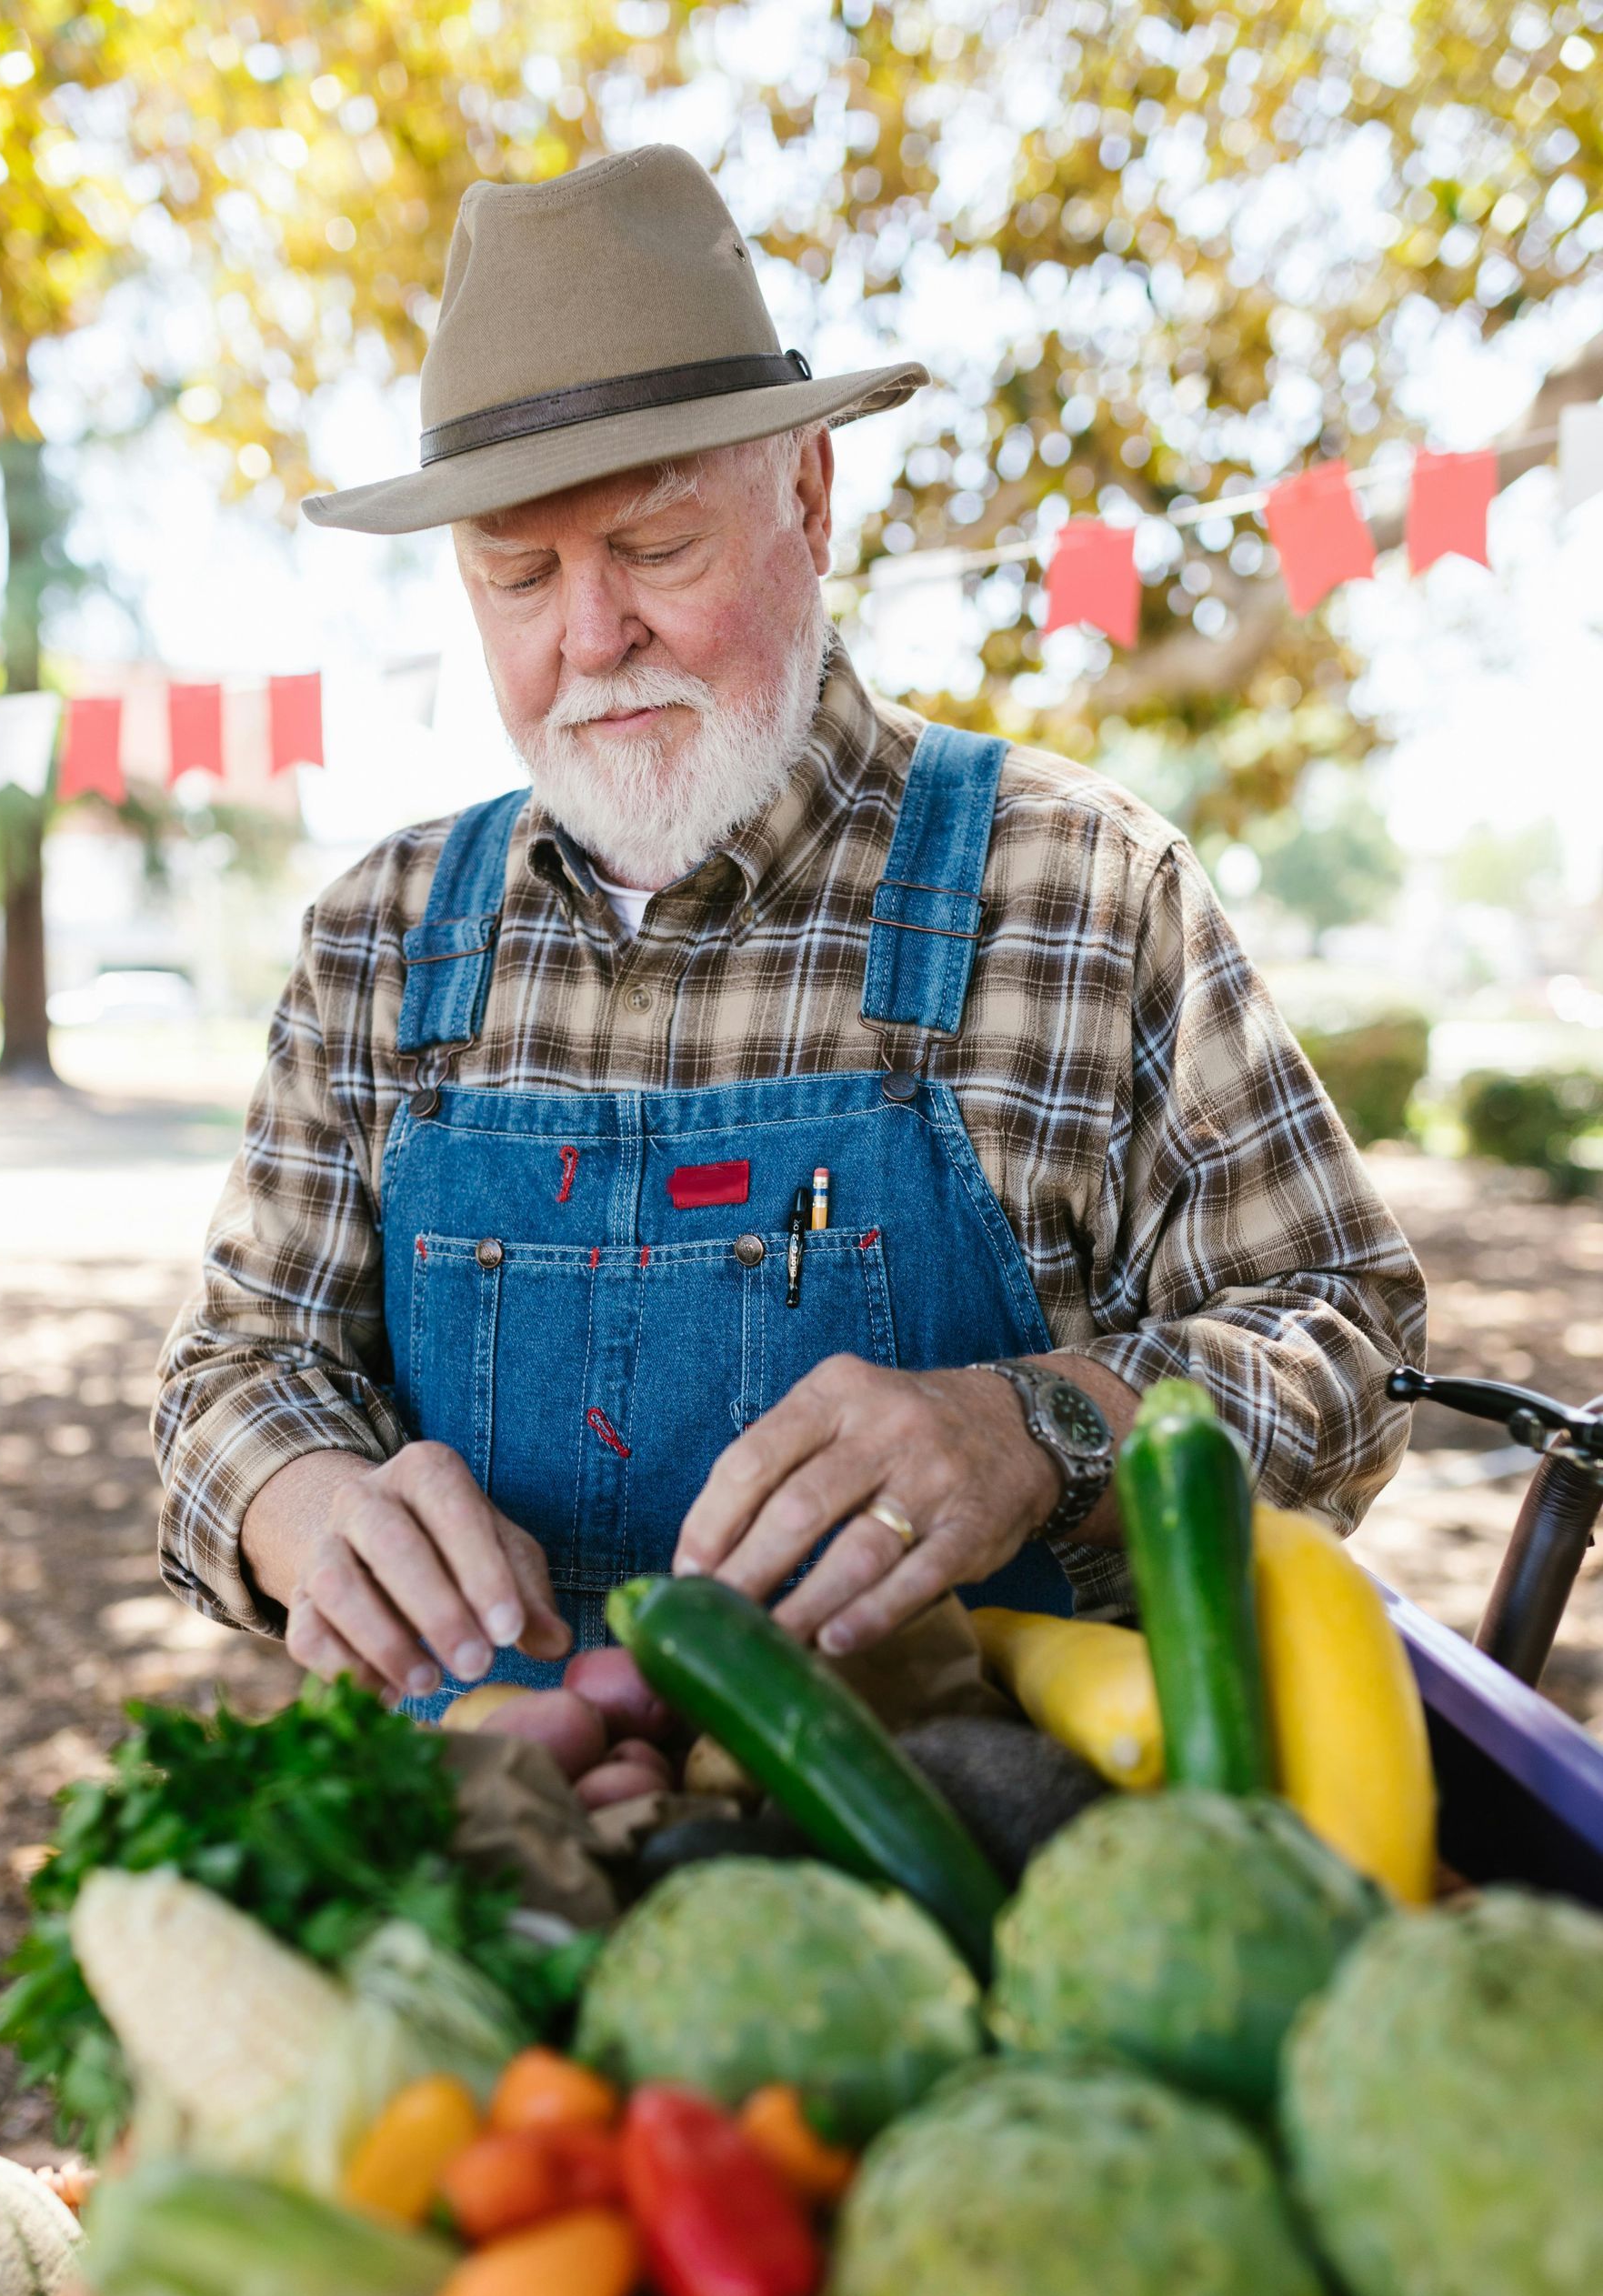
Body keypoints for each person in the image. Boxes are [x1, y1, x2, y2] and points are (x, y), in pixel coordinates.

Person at [154, 144, 1426, 1753]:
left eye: (655, 551)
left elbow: (1347, 1336)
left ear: (809, 498)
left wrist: (1044, 1428)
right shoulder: (380, 942)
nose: (590, 637)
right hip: (509, 1874)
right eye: (520, 576)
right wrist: (298, 1500)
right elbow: (235, 1374)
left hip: (979, 1877)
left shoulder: (1080, 884)